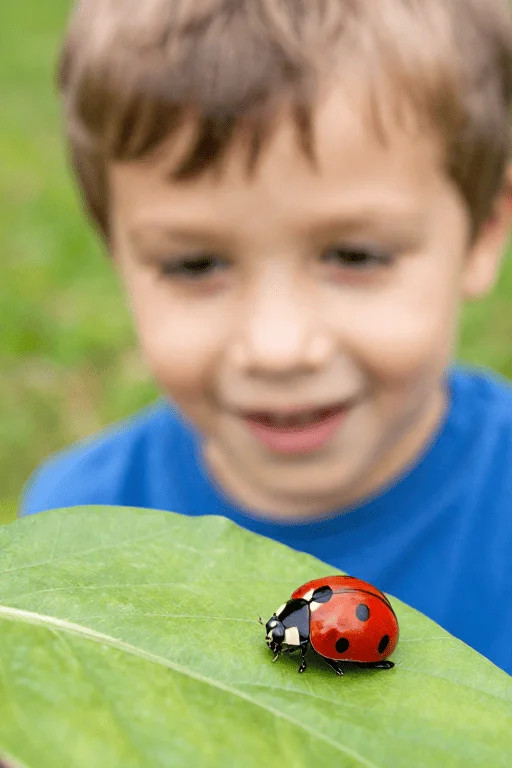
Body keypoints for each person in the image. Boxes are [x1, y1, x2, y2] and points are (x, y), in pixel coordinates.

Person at [19, 0, 512, 675]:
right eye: (195, 265)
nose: (278, 346)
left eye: (356, 256)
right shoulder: (73, 527)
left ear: (485, 228)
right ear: (116, 252)